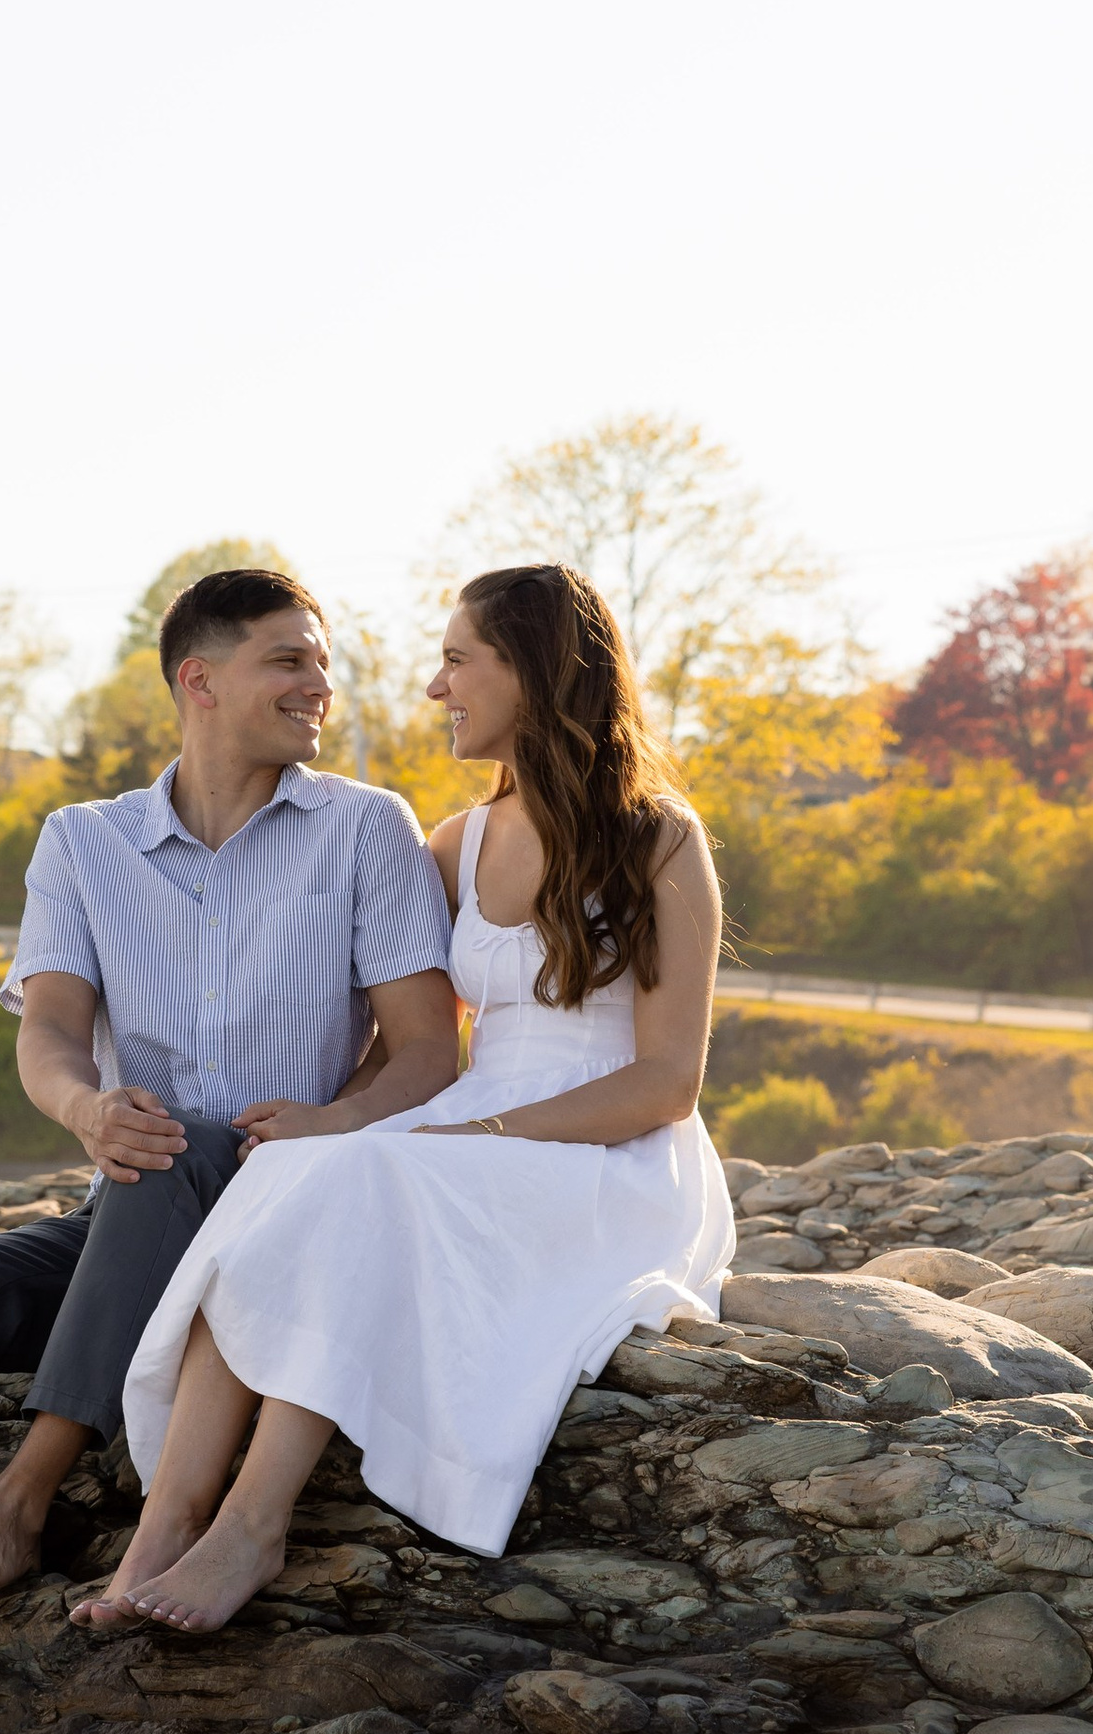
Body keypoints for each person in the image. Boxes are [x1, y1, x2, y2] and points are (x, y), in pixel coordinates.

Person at [0, 565, 460, 1709]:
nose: (321, 683)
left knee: (186, 1148)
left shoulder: (364, 829)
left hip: (284, 1205)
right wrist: (83, 1109)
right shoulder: (82, 843)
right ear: (198, 680)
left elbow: (424, 1051)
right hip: (136, 1202)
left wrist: (331, 1119)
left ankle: (21, 1498)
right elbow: (53, 1035)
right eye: (290, 659)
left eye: (321, 660)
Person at [79, 561, 734, 1635]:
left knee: (381, 1173)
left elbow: (667, 1084)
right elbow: (400, 1046)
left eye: (457, 659)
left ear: (527, 668)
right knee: (304, 1172)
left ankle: (252, 1524)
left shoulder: (659, 838)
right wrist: (323, 1119)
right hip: (470, 1132)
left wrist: (474, 1131)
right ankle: (164, 1527)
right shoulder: (453, 842)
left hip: (610, 1156)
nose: (437, 688)